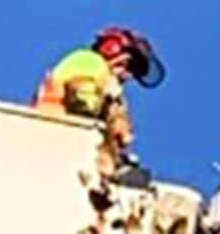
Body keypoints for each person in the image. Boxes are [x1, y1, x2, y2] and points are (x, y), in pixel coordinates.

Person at [33, 25, 166, 155]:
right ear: (111, 49)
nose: (128, 75)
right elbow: (82, 98)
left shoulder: (111, 89)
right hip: (57, 129)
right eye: (129, 65)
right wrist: (107, 104)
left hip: (71, 141)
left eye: (133, 72)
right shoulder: (91, 61)